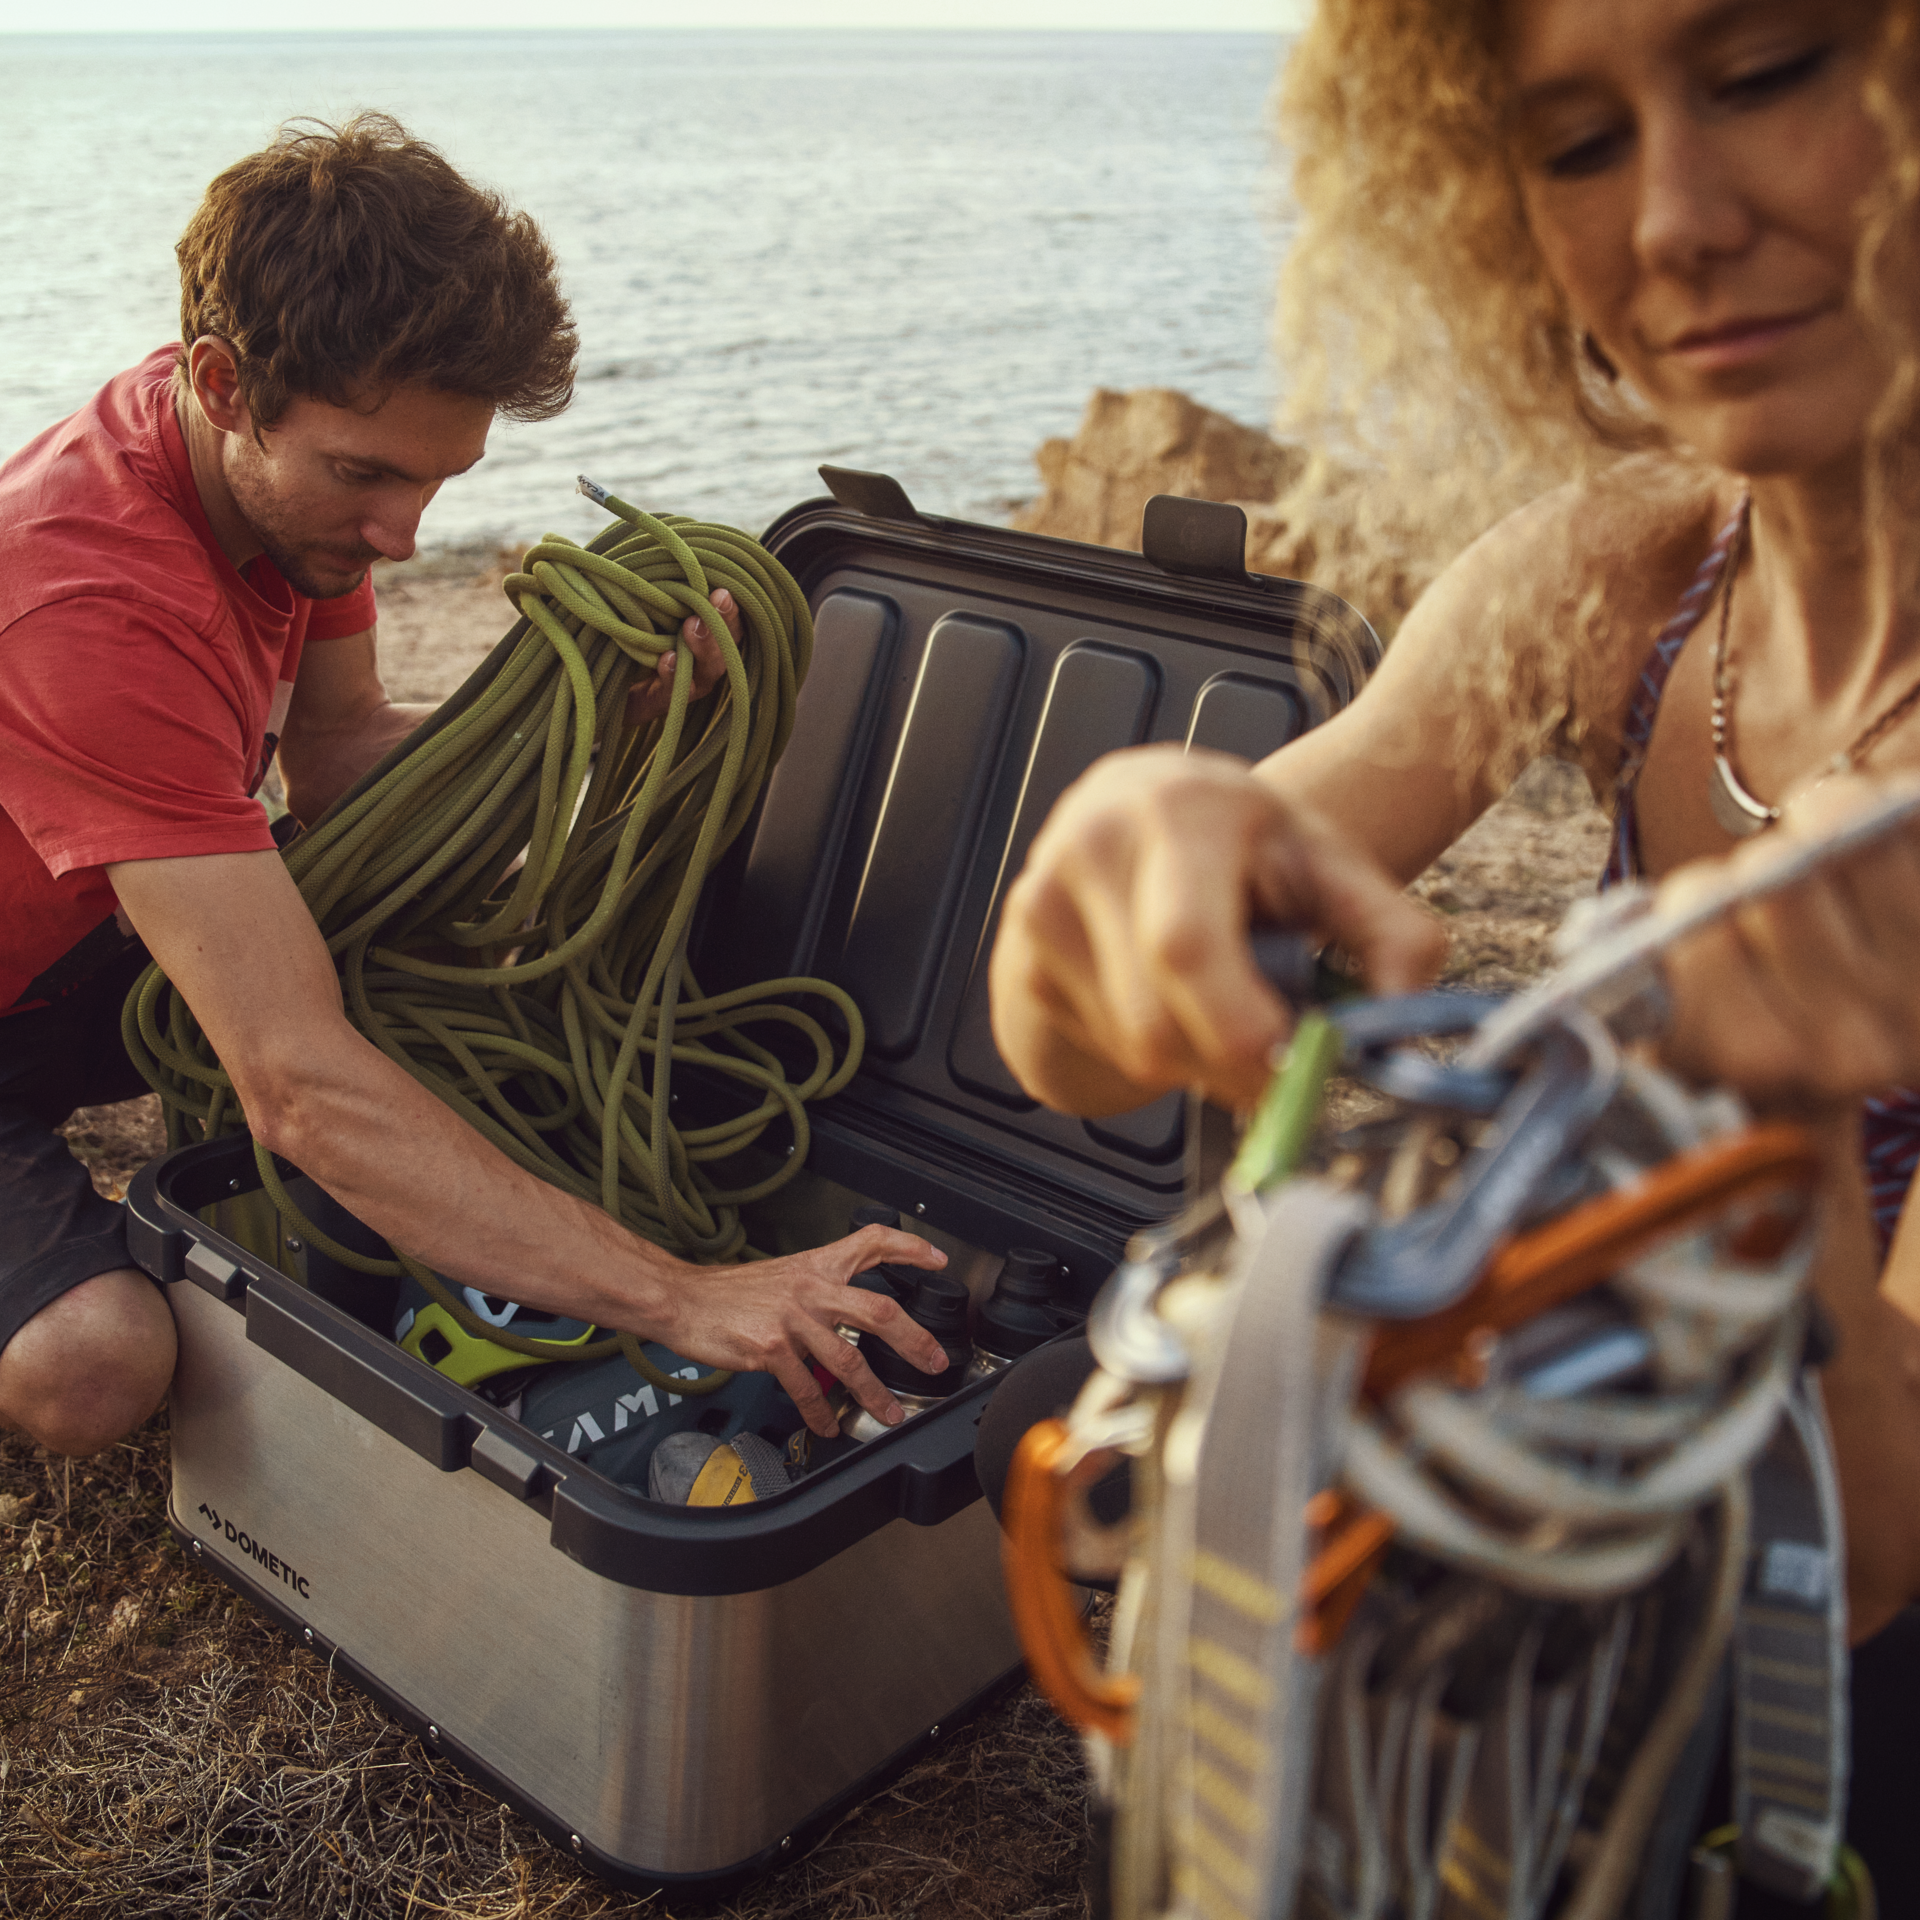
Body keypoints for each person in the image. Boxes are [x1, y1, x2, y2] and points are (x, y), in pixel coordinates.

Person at [988, 0, 1920, 1908]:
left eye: (1767, 74)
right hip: (1571, 1594)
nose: (1667, 222)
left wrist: (1779, 1121)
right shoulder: (1631, 574)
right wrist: (1099, 886)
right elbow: (1074, 1038)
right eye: (1574, 144)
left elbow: (1876, 1566)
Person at [0, 114, 948, 1462]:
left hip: (66, 938)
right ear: (222, 385)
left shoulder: (269, 456)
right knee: (95, 1365)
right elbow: (299, 1089)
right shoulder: (89, 601)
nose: (403, 534)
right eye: (366, 477)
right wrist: (688, 1298)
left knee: (386, 973)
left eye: (441, 480)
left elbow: (336, 756)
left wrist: (591, 714)